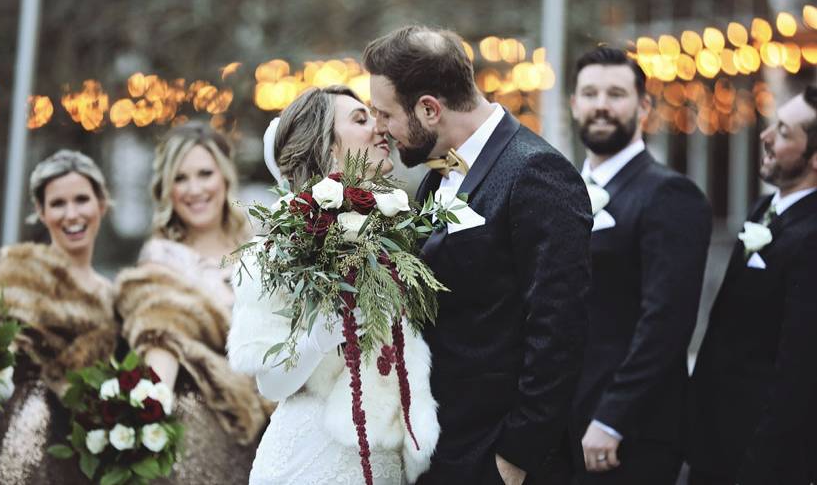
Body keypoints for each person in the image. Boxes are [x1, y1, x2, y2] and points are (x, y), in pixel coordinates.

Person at [363, 25, 592, 485]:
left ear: (429, 109)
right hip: (446, 447)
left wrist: (516, 456)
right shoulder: (436, 175)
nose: (381, 128)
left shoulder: (536, 172)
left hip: (502, 458)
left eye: (385, 114)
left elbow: (558, 330)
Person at [227, 85, 439, 485]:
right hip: (313, 462)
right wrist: (323, 333)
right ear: (325, 147)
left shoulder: (392, 238)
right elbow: (271, 383)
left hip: (383, 464)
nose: (382, 129)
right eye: (361, 120)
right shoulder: (278, 246)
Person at [567, 47, 712, 484]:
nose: (601, 105)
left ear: (644, 106)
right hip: (566, 423)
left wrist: (613, 418)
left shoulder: (669, 194)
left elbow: (666, 321)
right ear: (574, 105)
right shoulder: (565, 190)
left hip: (629, 433)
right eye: (590, 93)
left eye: (616, 93)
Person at [115, 122, 272, 484]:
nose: (195, 189)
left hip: (266, 431)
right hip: (196, 439)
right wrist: (149, 408)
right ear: (167, 189)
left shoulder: (258, 249)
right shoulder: (161, 260)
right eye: (181, 178)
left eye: (205, 174)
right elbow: (160, 334)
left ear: (224, 177)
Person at [686, 86, 817, 485]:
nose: (765, 136)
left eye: (784, 132)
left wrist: (760, 466)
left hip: (758, 457)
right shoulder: (765, 208)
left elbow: (798, 369)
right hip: (715, 439)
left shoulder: (812, 236)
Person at [0, 150, 118, 485]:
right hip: (20, 442)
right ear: (41, 212)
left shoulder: (115, 298)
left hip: (90, 454)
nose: (71, 214)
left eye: (81, 199)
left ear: (101, 205)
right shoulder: (16, 279)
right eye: (58, 203)